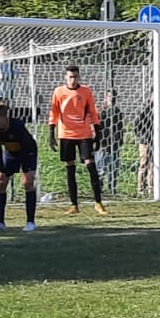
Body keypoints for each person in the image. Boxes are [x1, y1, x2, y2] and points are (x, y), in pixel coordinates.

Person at [48, 64, 106, 216]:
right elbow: (53, 112)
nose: (73, 80)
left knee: (90, 165)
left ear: (78, 77)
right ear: (65, 78)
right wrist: (51, 133)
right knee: (70, 168)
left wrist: (98, 133)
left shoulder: (86, 91)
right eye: (70, 77)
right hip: (66, 134)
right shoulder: (59, 92)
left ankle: (98, 203)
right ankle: (74, 205)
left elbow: (93, 111)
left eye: (75, 77)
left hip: (84, 133)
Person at [0, 100, 39, 232]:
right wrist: (2, 169)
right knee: (1, 181)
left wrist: (26, 170)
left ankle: (30, 222)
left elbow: (26, 147)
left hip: (27, 152)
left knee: (27, 182)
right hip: (10, 153)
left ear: (4, 117)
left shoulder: (17, 126)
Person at [94, 89, 123, 193]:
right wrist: (102, 143)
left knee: (113, 167)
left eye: (114, 97)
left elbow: (120, 127)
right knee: (101, 167)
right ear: (106, 98)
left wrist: (120, 141)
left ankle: (112, 188)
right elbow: (99, 128)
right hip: (103, 144)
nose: (112, 99)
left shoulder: (117, 111)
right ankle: (99, 188)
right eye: (110, 96)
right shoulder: (102, 111)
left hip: (114, 144)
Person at [133, 102, 155, 197]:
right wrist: (141, 136)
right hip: (145, 141)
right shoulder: (143, 109)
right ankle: (140, 189)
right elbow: (137, 125)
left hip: (154, 141)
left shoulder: (159, 109)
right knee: (143, 164)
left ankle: (152, 189)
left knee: (153, 165)